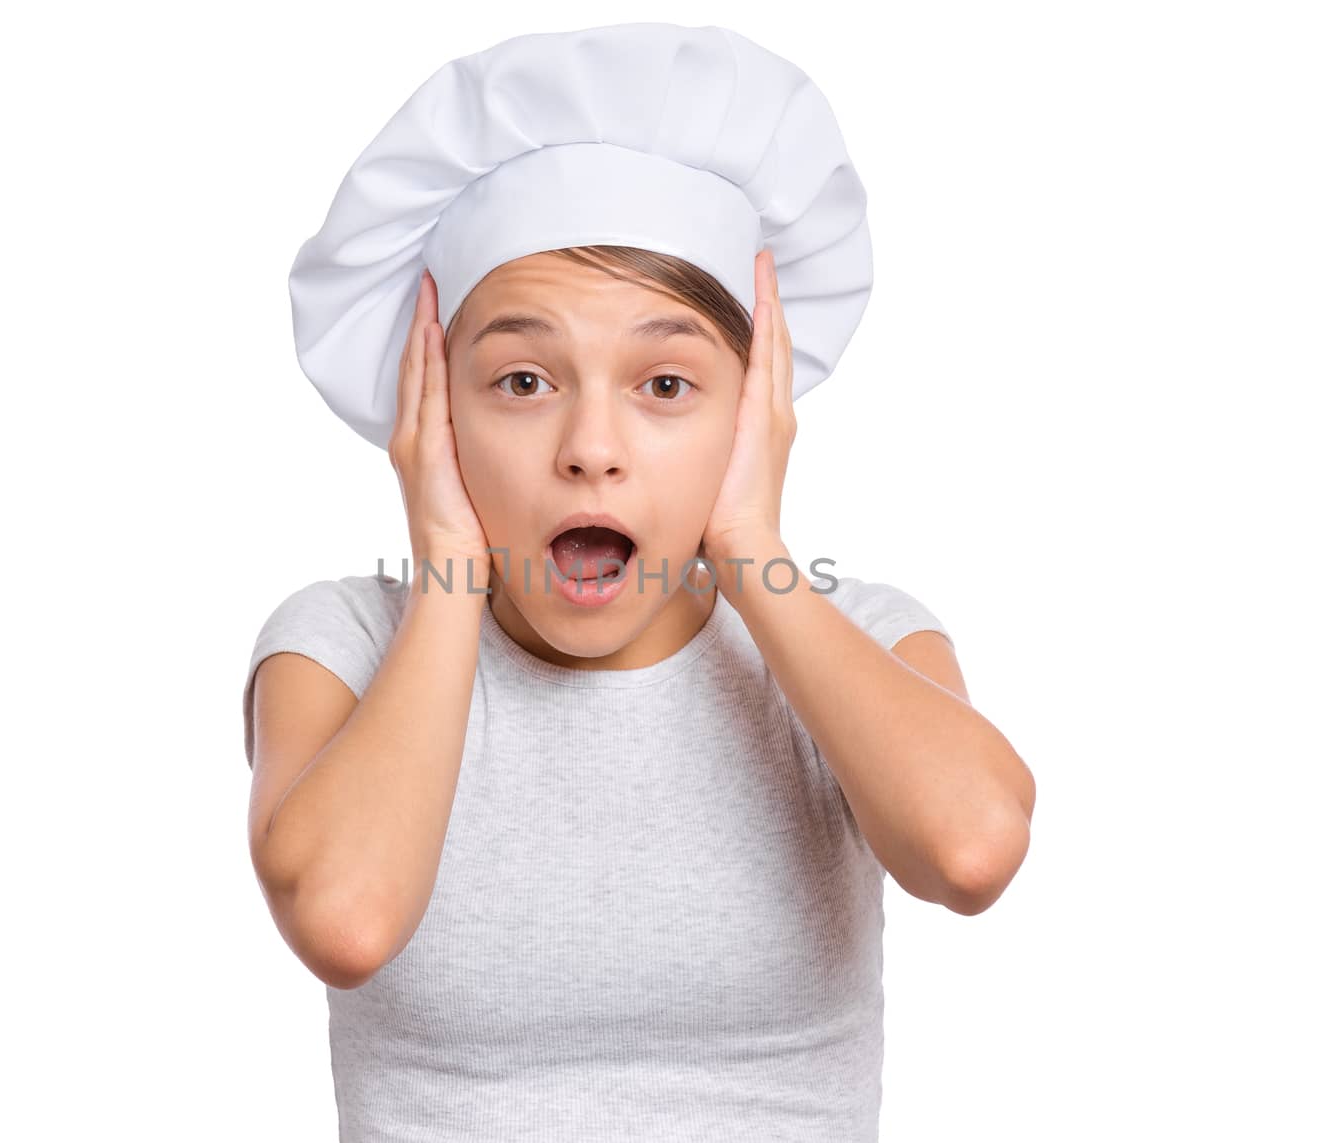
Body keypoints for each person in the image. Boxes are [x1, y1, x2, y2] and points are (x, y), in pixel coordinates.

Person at [241, 22, 1036, 1141]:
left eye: (666, 384)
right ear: (436, 413)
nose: (591, 447)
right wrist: (449, 573)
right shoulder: (343, 643)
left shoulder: (853, 633)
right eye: (521, 380)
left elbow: (970, 853)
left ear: (751, 413)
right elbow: (346, 922)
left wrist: (751, 538)